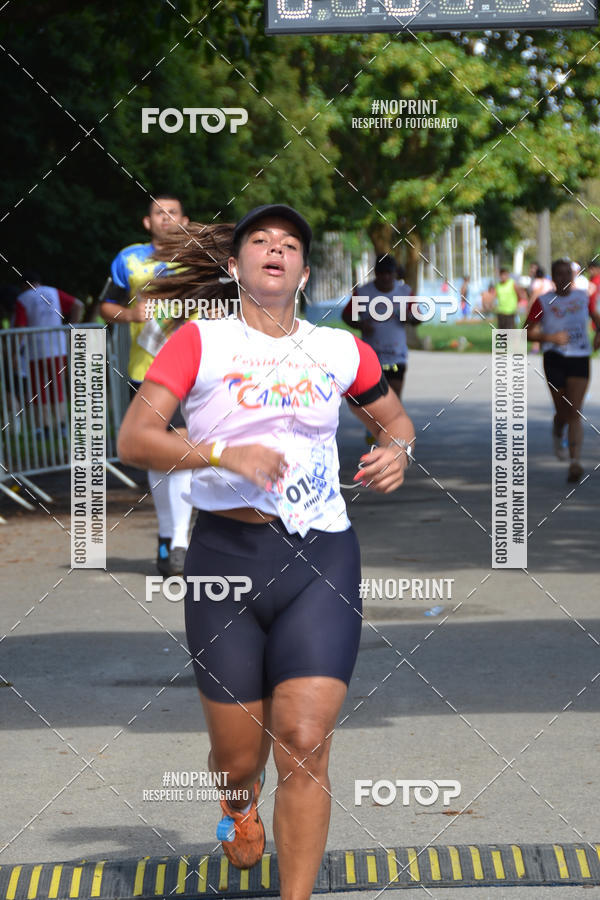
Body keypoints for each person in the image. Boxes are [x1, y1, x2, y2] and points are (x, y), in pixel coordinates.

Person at [117, 204, 415, 900]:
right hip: (225, 559)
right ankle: (236, 800)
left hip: (321, 558)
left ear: (305, 272)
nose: (274, 250)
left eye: (288, 245)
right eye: (259, 241)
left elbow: (393, 421)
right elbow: (136, 439)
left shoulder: (341, 348)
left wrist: (396, 452)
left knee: (305, 739)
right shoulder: (199, 342)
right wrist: (222, 451)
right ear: (234, 266)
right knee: (236, 756)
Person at [99, 194, 194, 576]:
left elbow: (228, 299)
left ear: (184, 219)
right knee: (158, 456)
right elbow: (106, 304)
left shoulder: (198, 257)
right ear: (147, 221)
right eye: (159, 213)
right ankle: (167, 533)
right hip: (147, 370)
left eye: (173, 213)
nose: (166, 219)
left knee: (185, 450)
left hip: (194, 368)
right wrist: (129, 313)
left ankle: (182, 543)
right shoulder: (129, 259)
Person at [524, 257, 600, 483]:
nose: (564, 278)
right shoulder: (544, 302)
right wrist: (551, 337)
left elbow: (596, 318)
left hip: (579, 357)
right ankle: (557, 429)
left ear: (573, 276)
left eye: (568, 273)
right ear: (553, 278)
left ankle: (575, 462)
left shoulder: (582, 297)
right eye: (559, 274)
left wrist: (598, 334)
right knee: (563, 412)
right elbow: (526, 332)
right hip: (554, 358)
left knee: (574, 411)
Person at [15, 272, 83, 433]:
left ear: (25, 285)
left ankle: (43, 427)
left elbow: (20, 329)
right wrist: (70, 327)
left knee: (39, 389)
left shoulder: (23, 298)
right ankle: (61, 424)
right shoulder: (54, 292)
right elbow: (78, 305)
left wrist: (14, 352)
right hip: (57, 347)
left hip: (35, 349)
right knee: (57, 386)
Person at [341, 255, 414, 400]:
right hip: (372, 356)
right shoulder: (363, 293)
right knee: (375, 400)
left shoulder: (404, 292)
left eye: (389, 273)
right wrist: (360, 325)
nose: (386, 277)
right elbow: (346, 316)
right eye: (382, 273)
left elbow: (418, 319)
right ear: (375, 273)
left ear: (395, 273)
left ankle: (392, 422)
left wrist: (409, 317)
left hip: (396, 356)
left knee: (394, 397)